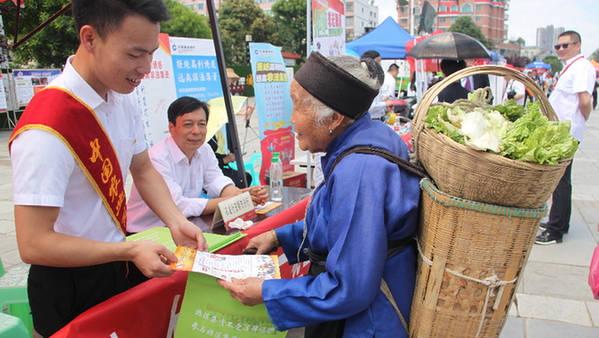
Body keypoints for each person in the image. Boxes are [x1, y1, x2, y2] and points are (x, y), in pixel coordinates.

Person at [8, 1, 208, 336]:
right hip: (68, 278)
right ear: (89, 39)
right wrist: (128, 249)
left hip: (117, 258)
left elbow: (142, 169)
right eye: (134, 55)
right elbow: (33, 244)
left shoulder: (122, 95)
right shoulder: (47, 126)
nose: (145, 68)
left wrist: (176, 220)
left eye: (151, 54)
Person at [217, 52, 421, 337]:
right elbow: (340, 222)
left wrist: (267, 292)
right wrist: (279, 237)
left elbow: (350, 288)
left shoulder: (359, 170)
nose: (290, 119)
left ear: (334, 118)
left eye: (298, 106)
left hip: (366, 323)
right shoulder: (372, 134)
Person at [127, 96, 269, 233]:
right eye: (188, 124)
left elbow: (215, 180)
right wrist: (231, 201)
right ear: (171, 127)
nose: (196, 131)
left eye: (201, 124)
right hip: (147, 231)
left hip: (185, 224)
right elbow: (178, 205)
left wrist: (242, 195)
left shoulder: (204, 148)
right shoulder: (157, 158)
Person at [535, 30, 595, 245]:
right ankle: (560, 223)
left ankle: (555, 230)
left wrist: (581, 120)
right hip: (561, 129)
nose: (561, 49)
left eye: (565, 45)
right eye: (558, 46)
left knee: (559, 181)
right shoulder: (571, 66)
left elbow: (585, 100)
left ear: (578, 45)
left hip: (567, 131)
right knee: (561, 179)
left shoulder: (582, 67)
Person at [361, 50, 393, 120]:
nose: (380, 65)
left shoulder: (376, 79)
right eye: (378, 62)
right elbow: (370, 106)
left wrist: (384, 105)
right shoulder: (365, 82)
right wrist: (385, 104)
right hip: (371, 119)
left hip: (378, 118)